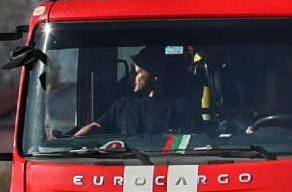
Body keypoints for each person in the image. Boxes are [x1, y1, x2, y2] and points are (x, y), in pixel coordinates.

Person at [74, 47, 203, 136]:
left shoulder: (180, 107)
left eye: (137, 72)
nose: (130, 78)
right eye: (131, 72)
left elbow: (196, 140)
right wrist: (71, 142)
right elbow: (97, 127)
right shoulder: (123, 105)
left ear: (156, 76)